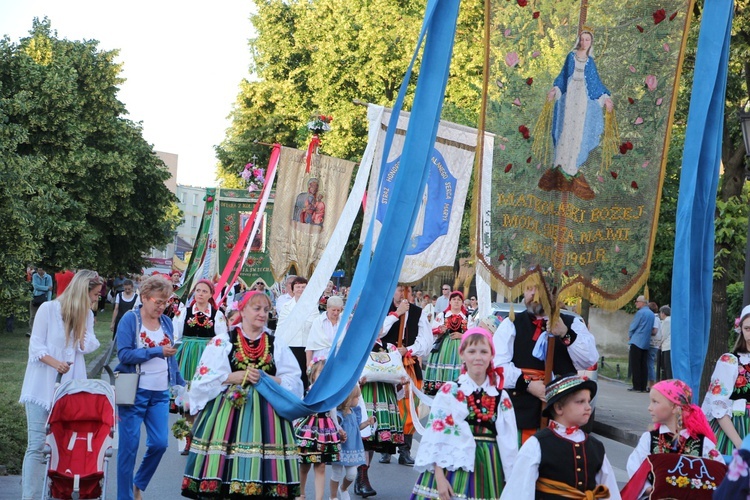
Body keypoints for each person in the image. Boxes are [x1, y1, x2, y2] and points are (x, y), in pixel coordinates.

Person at [181, 291, 303, 499]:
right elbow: (202, 380)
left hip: (268, 416)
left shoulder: (276, 343)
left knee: (265, 476)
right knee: (227, 472)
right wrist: (231, 377)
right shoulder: (223, 342)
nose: (262, 314)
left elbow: (294, 380)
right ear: (242, 311)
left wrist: (269, 378)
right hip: (228, 412)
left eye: (266, 310)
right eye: (256, 309)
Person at [19, 270, 103, 500]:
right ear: (82, 291)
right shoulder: (48, 309)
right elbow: (35, 347)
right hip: (41, 386)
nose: (97, 299)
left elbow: (87, 347)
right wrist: (56, 364)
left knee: (62, 448)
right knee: (37, 446)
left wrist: (83, 326)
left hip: (69, 391)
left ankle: (56, 494)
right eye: (95, 294)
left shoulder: (84, 315)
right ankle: (30, 496)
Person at [413, 327, 518, 499]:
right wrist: (439, 478)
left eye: (484, 351)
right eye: (472, 351)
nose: (478, 357)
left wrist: (511, 480)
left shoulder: (500, 396)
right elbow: (436, 436)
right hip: (453, 467)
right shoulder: (450, 391)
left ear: (492, 355)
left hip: (490, 467)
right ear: (462, 354)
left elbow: (509, 441)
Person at [493, 284, 599, 444]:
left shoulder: (572, 323)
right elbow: (498, 367)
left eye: (540, 288)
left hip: (562, 412)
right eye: (529, 289)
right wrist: (528, 384)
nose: (534, 294)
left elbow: (588, 359)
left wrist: (565, 333)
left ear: (552, 292)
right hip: (521, 414)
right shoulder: (511, 323)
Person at [115, 275, 186, 500]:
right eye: (158, 301)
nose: (162, 306)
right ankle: (124, 497)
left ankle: (139, 482)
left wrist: (179, 383)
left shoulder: (165, 321)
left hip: (159, 393)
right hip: (133, 392)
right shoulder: (130, 319)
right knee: (128, 449)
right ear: (145, 297)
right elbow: (124, 354)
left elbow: (170, 357)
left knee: (159, 443)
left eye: (165, 302)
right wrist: (156, 351)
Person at [502, 374, 620, 498]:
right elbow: (519, 490)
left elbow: (610, 491)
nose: (588, 407)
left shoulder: (596, 447)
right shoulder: (538, 444)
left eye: (588, 401)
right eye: (580, 402)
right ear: (559, 408)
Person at [538, 28, 614, 201]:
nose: (584, 42)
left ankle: (571, 167)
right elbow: (562, 78)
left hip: (583, 100)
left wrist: (605, 98)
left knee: (578, 130)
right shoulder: (571, 57)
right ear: (579, 40)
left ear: (591, 42)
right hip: (569, 97)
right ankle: (559, 163)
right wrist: (555, 90)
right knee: (565, 128)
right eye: (582, 39)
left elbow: (595, 85)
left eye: (587, 39)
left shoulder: (590, 62)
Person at [623, 379, 723, 498]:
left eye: (655, 402)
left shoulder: (702, 443)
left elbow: (719, 471)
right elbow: (635, 466)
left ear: (675, 407)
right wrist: (648, 488)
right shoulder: (650, 439)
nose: (649, 407)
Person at [379, 285, 432, 465]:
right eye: (399, 289)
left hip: (408, 364)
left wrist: (408, 350)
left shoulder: (418, 312)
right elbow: (378, 332)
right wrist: (396, 314)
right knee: (386, 404)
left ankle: (404, 450)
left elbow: (426, 341)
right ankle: (385, 449)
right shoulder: (384, 309)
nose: (402, 294)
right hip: (385, 364)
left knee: (408, 407)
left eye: (405, 290)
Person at [701, 304, 750, 456]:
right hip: (736, 429)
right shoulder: (730, 361)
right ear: (740, 329)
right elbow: (718, 405)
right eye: (748, 328)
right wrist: (741, 445)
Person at [295, 360, 341, 500]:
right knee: (304, 465)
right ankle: (301, 494)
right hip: (309, 427)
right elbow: (300, 408)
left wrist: (338, 429)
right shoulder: (309, 390)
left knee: (321, 465)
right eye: (320, 372)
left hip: (326, 429)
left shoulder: (330, 391)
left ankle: (319, 498)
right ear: (313, 374)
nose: (323, 376)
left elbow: (333, 411)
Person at [331, 384, 373, 500]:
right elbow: (335, 428)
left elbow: (356, 428)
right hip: (341, 449)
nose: (358, 399)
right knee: (336, 473)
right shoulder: (339, 415)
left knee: (352, 474)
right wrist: (340, 432)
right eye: (356, 397)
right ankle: (333, 496)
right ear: (347, 399)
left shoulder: (354, 412)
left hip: (353, 449)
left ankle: (343, 488)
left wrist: (367, 423)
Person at [424, 290, 469, 396]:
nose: (456, 302)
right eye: (454, 299)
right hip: (444, 346)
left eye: (459, 299)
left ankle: (458, 389)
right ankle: (441, 389)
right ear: (450, 302)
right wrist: (440, 330)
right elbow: (431, 330)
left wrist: (461, 335)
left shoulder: (467, 317)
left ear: (462, 302)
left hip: (461, 347)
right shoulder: (442, 315)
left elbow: (473, 334)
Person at [277, 276, 318, 389]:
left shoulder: (313, 306)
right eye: (298, 287)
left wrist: (296, 321)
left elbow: (312, 323)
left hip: (306, 345)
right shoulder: (286, 306)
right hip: (290, 344)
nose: (300, 289)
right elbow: (282, 326)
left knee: (305, 372)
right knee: (291, 372)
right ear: (293, 289)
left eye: (303, 287)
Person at [628, 295, 656, 393]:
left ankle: (637, 386)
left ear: (643, 303)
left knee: (635, 364)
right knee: (643, 364)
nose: (636, 303)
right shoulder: (651, 314)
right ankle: (643, 386)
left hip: (637, 340)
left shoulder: (640, 313)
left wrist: (630, 334)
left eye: (637, 301)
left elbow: (634, 325)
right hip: (646, 342)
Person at [306, 296, 345, 364]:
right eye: (333, 310)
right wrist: (308, 365)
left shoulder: (345, 322)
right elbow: (310, 345)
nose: (336, 313)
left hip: (338, 361)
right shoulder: (318, 322)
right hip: (319, 362)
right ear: (327, 308)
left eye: (338, 310)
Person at [29, 266, 53, 334]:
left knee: (44, 316)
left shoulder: (48, 277)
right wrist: (46, 288)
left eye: (41, 270)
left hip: (44, 298)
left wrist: (49, 301)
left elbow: (50, 290)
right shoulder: (34, 276)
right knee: (33, 315)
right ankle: (32, 331)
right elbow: (36, 286)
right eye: (39, 270)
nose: (40, 272)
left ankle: (43, 331)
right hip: (35, 297)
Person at [647, 302, 662, 389]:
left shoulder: (655, 318)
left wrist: (646, 332)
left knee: (650, 364)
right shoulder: (656, 318)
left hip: (653, 343)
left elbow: (655, 330)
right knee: (650, 363)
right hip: (654, 343)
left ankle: (651, 383)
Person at [659, 306, 672, 380]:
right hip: (668, 346)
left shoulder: (667, 321)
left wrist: (659, 343)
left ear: (663, 313)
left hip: (667, 346)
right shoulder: (670, 320)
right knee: (666, 366)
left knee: (666, 366)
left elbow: (663, 334)